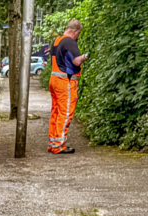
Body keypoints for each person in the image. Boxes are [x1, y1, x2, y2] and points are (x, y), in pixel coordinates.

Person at [48, 19, 88, 154]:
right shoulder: (70, 41)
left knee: (56, 111)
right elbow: (76, 61)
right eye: (79, 34)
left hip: (54, 79)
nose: (78, 37)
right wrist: (85, 56)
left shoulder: (57, 40)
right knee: (65, 113)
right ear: (75, 32)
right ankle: (59, 145)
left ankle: (53, 142)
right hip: (65, 81)